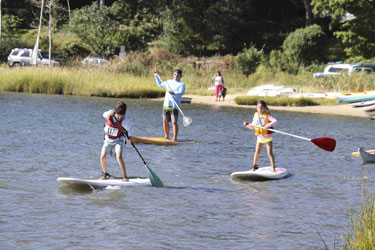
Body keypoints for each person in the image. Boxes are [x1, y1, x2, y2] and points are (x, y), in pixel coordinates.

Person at [100, 101, 132, 181]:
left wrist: (130, 137)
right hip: (108, 139)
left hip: (119, 139)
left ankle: (125, 177)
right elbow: (103, 114)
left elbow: (129, 129)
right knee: (102, 157)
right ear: (115, 112)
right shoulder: (109, 115)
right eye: (118, 116)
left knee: (119, 156)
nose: (120, 117)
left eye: (122, 116)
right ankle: (105, 174)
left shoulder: (125, 121)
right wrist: (109, 112)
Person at [243, 100, 278, 172]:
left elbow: (275, 121)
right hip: (260, 138)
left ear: (265, 108)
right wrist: (247, 125)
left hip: (267, 138)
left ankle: (273, 168)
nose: (260, 110)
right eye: (258, 108)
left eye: (262, 108)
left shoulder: (267, 116)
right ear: (256, 108)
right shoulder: (255, 116)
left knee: (270, 153)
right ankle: (254, 167)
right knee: (257, 152)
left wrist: (267, 125)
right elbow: (252, 127)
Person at [153, 68, 186, 142]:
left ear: (180, 76)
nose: (176, 76)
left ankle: (174, 138)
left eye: (178, 75)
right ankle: (166, 137)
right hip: (166, 105)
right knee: (165, 121)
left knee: (174, 122)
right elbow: (160, 84)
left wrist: (173, 92)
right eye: (175, 74)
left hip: (174, 106)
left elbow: (180, 93)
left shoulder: (182, 84)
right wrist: (155, 75)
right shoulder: (168, 82)